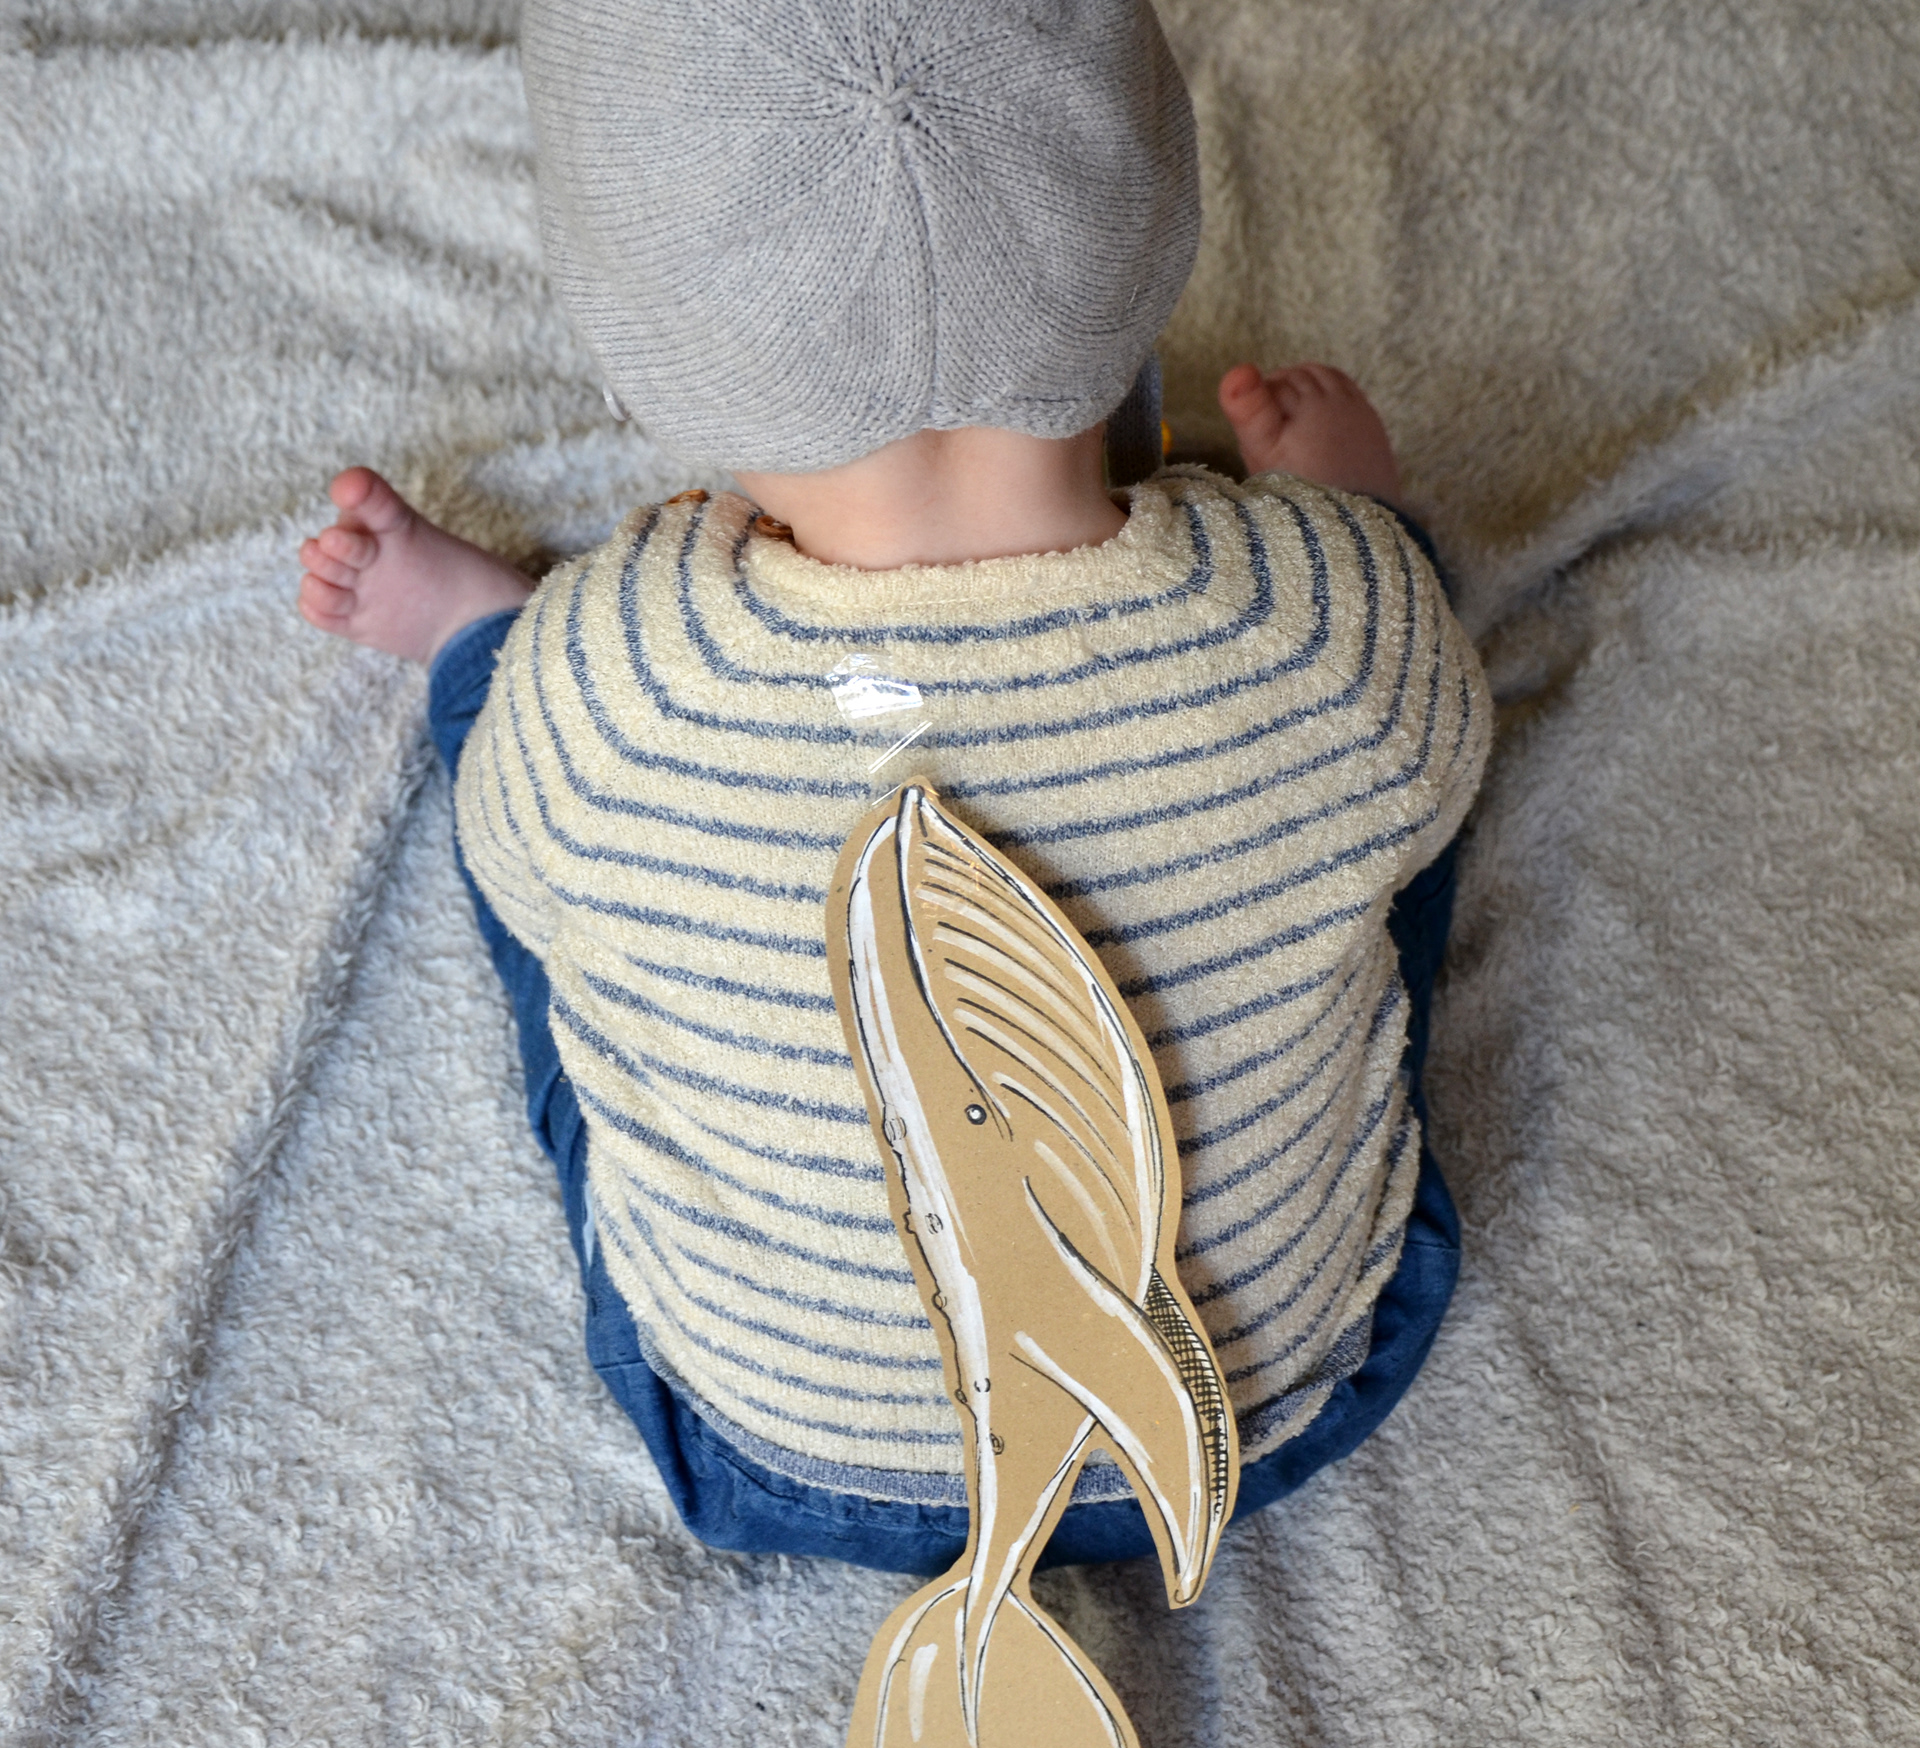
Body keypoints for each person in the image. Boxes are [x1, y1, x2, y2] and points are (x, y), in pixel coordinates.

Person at [297, 0, 1490, 1576]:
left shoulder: (620, 675)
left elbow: (546, 877)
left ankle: (468, 642)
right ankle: (1378, 554)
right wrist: (1360, 531)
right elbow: (1402, 761)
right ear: (1154, 219)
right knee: (1385, 776)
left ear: (645, 350)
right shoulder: (1322, 615)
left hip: (770, 1450)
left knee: (563, 881)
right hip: (1267, 1413)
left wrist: (525, 677)